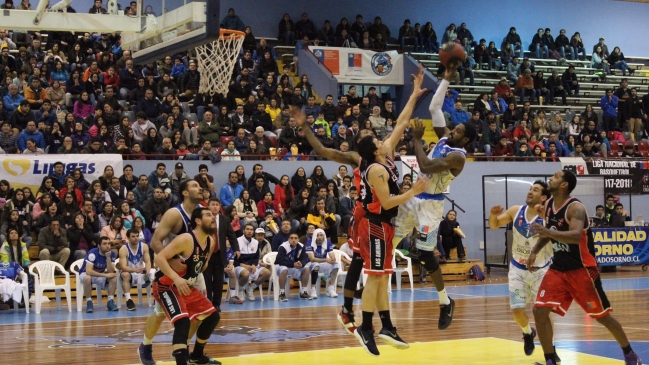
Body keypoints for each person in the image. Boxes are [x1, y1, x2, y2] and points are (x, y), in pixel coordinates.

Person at [291, 64, 428, 337]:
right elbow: (322, 149)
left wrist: (414, 93)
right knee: (358, 262)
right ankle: (349, 310)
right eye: (367, 136)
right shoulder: (360, 159)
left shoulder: (386, 149)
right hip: (367, 213)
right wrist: (305, 128)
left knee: (377, 269)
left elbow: (401, 120)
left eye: (372, 134)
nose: (372, 136)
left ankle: (376, 316)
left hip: (387, 212)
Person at [392, 61, 476, 336]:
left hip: (431, 205)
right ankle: (371, 280)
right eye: (455, 128)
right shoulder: (445, 138)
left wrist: (417, 139)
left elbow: (426, 166)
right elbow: (434, 108)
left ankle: (445, 301)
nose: (453, 131)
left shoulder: (457, 157)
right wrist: (446, 79)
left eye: (459, 132)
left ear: (465, 141)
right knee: (390, 237)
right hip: (415, 195)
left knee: (428, 255)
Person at [527, 170, 642, 365]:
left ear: (564, 185)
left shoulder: (575, 208)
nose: (550, 179)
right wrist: (535, 251)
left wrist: (545, 231)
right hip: (558, 269)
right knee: (539, 310)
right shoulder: (547, 205)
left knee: (602, 317)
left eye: (555, 177)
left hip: (582, 270)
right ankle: (550, 361)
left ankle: (630, 355)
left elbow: (575, 235)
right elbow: (549, 233)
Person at [353, 132, 428, 356]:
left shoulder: (382, 164)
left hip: (385, 226)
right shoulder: (376, 170)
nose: (382, 142)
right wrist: (413, 191)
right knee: (375, 277)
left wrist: (413, 97)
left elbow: (400, 126)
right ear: (375, 151)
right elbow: (386, 202)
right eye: (378, 142)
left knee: (383, 276)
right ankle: (365, 327)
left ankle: (387, 325)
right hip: (375, 224)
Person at [137, 180, 212, 365]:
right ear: (185, 193)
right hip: (172, 273)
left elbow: (208, 239)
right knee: (161, 313)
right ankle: (145, 346)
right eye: (195, 186)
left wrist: (204, 259)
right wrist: (170, 260)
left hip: (192, 271)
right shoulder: (174, 214)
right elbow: (155, 241)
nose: (200, 188)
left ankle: (181, 348)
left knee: (200, 314)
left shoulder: (202, 212)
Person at [488, 181, 554, 357]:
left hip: (542, 271)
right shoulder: (516, 210)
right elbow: (494, 225)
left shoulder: (549, 215)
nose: (531, 191)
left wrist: (547, 219)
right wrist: (493, 215)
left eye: (536, 190)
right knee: (517, 311)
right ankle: (527, 332)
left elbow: (558, 235)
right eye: (531, 188)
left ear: (544, 197)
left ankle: (550, 349)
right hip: (518, 269)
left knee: (543, 313)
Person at [152, 207, 221, 365]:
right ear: (197, 221)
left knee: (212, 316)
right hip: (166, 285)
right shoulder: (186, 239)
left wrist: (200, 266)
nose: (213, 217)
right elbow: (159, 258)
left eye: (213, 215)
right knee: (183, 322)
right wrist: (176, 277)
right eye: (208, 215)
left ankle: (196, 355)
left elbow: (202, 264)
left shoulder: (210, 241)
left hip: (185, 286)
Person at [202, 198, 240, 310]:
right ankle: (207, 303)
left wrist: (236, 249)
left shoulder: (225, 219)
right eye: (212, 205)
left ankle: (216, 304)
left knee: (219, 280)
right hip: (207, 253)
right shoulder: (203, 219)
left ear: (219, 207)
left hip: (219, 253)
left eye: (216, 205)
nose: (214, 207)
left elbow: (231, 235)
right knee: (207, 279)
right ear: (208, 207)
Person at [79, 236, 118, 313]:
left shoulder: (111, 254)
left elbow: (110, 271)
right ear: (99, 246)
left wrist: (108, 258)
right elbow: (89, 271)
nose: (107, 246)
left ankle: (110, 301)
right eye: (104, 244)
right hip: (85, 274)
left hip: (99, 274)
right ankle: (89, 302)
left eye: (109, 243)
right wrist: (106, 275)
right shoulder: (93, 253)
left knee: (113, 278)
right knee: (87, 278)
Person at [118, 228, 154, 311]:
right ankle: (129, 300)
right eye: (133, 236)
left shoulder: (144, 246)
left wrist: (147, 271)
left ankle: (157, 298)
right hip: (130, 273)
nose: (136, 238)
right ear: (128, 238)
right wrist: (134, 270)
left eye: (137, 236)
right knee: (125, 274)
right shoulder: (123, 249)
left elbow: (148, 261)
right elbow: (123, 267)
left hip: (141, 273)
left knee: (156, 274)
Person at [234, 225, 271, 302]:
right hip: (239, 266)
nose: (249, 231)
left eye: (251, 230)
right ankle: (241, 290)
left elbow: (256, 257)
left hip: (252, 266)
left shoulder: (255, 242)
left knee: (267, 272)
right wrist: (243, 265)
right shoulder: (237, 241)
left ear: (253, 232)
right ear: (243, 231)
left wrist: (254, 265)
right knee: (245, 273)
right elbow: (233, 259)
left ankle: (251, 288)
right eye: (247, 229)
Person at [274, 232, 311, 301]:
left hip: (294, 267)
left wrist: (301, 264)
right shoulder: (283, 247)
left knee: (306, 268)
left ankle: (303, 292)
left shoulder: (301, 246)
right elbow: (280, 261)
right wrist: (293, 264)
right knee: (284, 269)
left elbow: (304, 259)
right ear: (288, 239)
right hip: (281, 267)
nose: (293, 240)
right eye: (291, 238)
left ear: (298, 240)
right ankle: (281, 293)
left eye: (295, 238)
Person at [305, 228, 339, 299]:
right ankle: (313, 289)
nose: (319, 237)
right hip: (310, 263)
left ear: (324, 236)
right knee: (316, 265)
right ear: (314, 236)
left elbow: (331, 255)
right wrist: (326, 260)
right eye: (317, 235)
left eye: (321, 235)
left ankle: (330, 288)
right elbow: (312, 259)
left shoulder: (328, 242)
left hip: (322, 262)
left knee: (335, 265)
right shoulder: (309, 242)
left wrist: (333, 259)